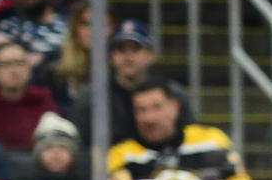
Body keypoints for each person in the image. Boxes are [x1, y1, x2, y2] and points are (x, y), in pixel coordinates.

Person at [67, 19, 191, 150]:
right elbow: (78, 145)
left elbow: (190, 136)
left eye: (136, 49)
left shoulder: (172, 93)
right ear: (110, 56)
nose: (128, 57)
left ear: (150, 55)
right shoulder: (91, 98)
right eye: (121, 49)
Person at [107, 78, 252, 180]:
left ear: (175, 107)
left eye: (157, 107)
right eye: (141, 110)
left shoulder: (212, 140)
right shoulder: (121, 155)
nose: (149, 118)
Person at [0, 38, 57, 152]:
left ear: (29, 70)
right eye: (6, 64)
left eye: (20, 63)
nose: (14, 70)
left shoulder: (43, 100)